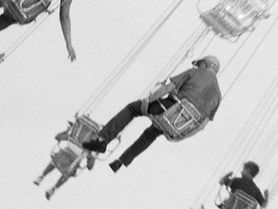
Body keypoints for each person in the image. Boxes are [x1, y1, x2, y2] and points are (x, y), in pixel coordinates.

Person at [82, 56, 222, 170]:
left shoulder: (194, 72)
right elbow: (202, 125)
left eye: (200, 64)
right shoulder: (218, 95)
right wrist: (181, 136)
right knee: (151, 134)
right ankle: (122, 161)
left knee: (132, 108)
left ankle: (102, 140)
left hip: (165, 109)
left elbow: (167, 89)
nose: (197, 66)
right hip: (177, 126)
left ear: (207, 64)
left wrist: (148, 101)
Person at [33, 123, 97, 201]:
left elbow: (58, 137)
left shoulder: (75, 133)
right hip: (72, 159)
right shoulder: (90, 146)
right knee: (69, 171)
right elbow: (90, 166)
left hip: (66, 156)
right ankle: (52, 187)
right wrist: (93, 156)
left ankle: (42, 177)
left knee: (60, 162)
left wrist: (67, 131)